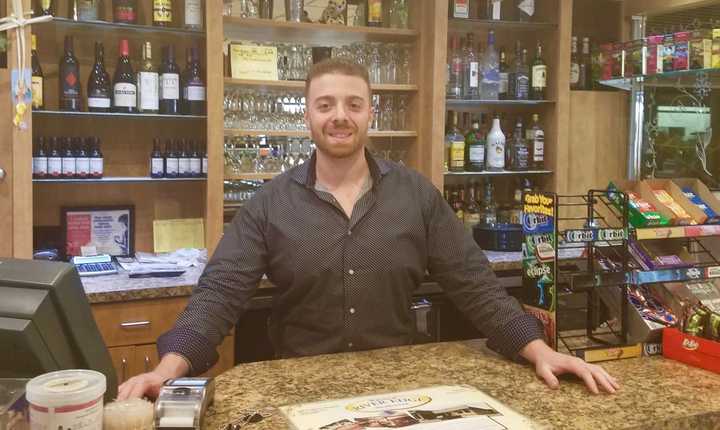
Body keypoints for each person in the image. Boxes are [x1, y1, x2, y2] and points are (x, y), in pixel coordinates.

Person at [117, 59, 619, 400]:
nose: (340, 117)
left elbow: (475, 285)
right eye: (326, 104)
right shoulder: (270, 204)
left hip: (397, 390)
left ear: (370, 112)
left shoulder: (415, 195)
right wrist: (167, 371)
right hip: (301, 390)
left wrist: (539, 350)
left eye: (354, 104)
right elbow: (219, 293)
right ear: (308, 116)